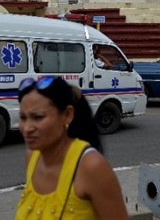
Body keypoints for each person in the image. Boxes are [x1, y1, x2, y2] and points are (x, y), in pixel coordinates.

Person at [17, 76, 128, 220]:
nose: (27, 128)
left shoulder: (91, 167)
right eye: (23, 117)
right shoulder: (32, 156)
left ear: (67, 115)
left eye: (38, 117)